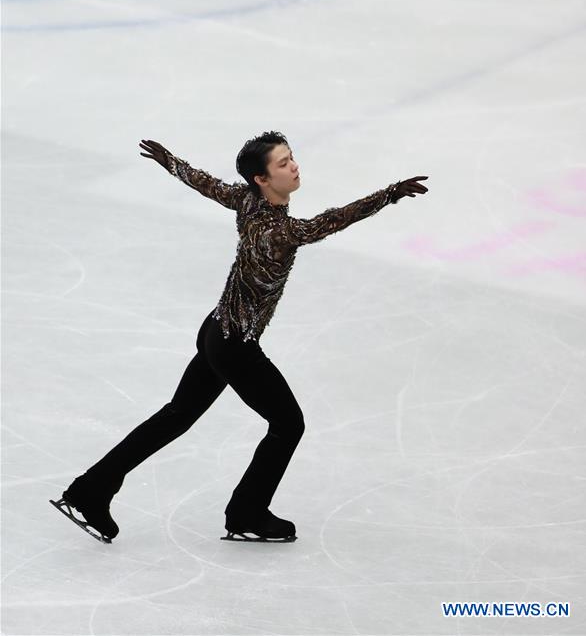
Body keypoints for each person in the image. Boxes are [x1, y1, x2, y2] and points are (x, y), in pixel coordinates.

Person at [50, 131, 428, 543]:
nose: (294, 166)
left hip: (216, 331)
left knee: (178, 415)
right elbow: (330, 221)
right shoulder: (277, 232)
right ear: (261, 179)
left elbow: (204, 182)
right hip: (234, 346)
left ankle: (91, 489)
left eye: (291, 158)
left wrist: (171, 161)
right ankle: (246, 512)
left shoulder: (247, 201)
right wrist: (388, 195)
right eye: (283, 164)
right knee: (288, 424)